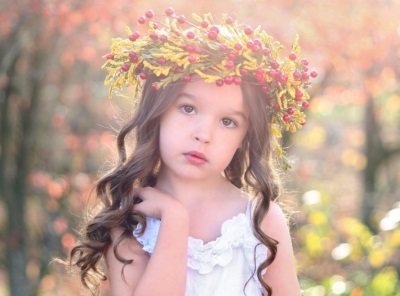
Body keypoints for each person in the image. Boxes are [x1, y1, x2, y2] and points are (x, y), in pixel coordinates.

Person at [69, 6, 317, 296]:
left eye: (228, 121)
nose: (204, 134)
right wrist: (174, 220)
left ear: (244, 137)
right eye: (188, 108)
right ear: (157, 112)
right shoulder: (129, 222)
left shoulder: (260, 220)